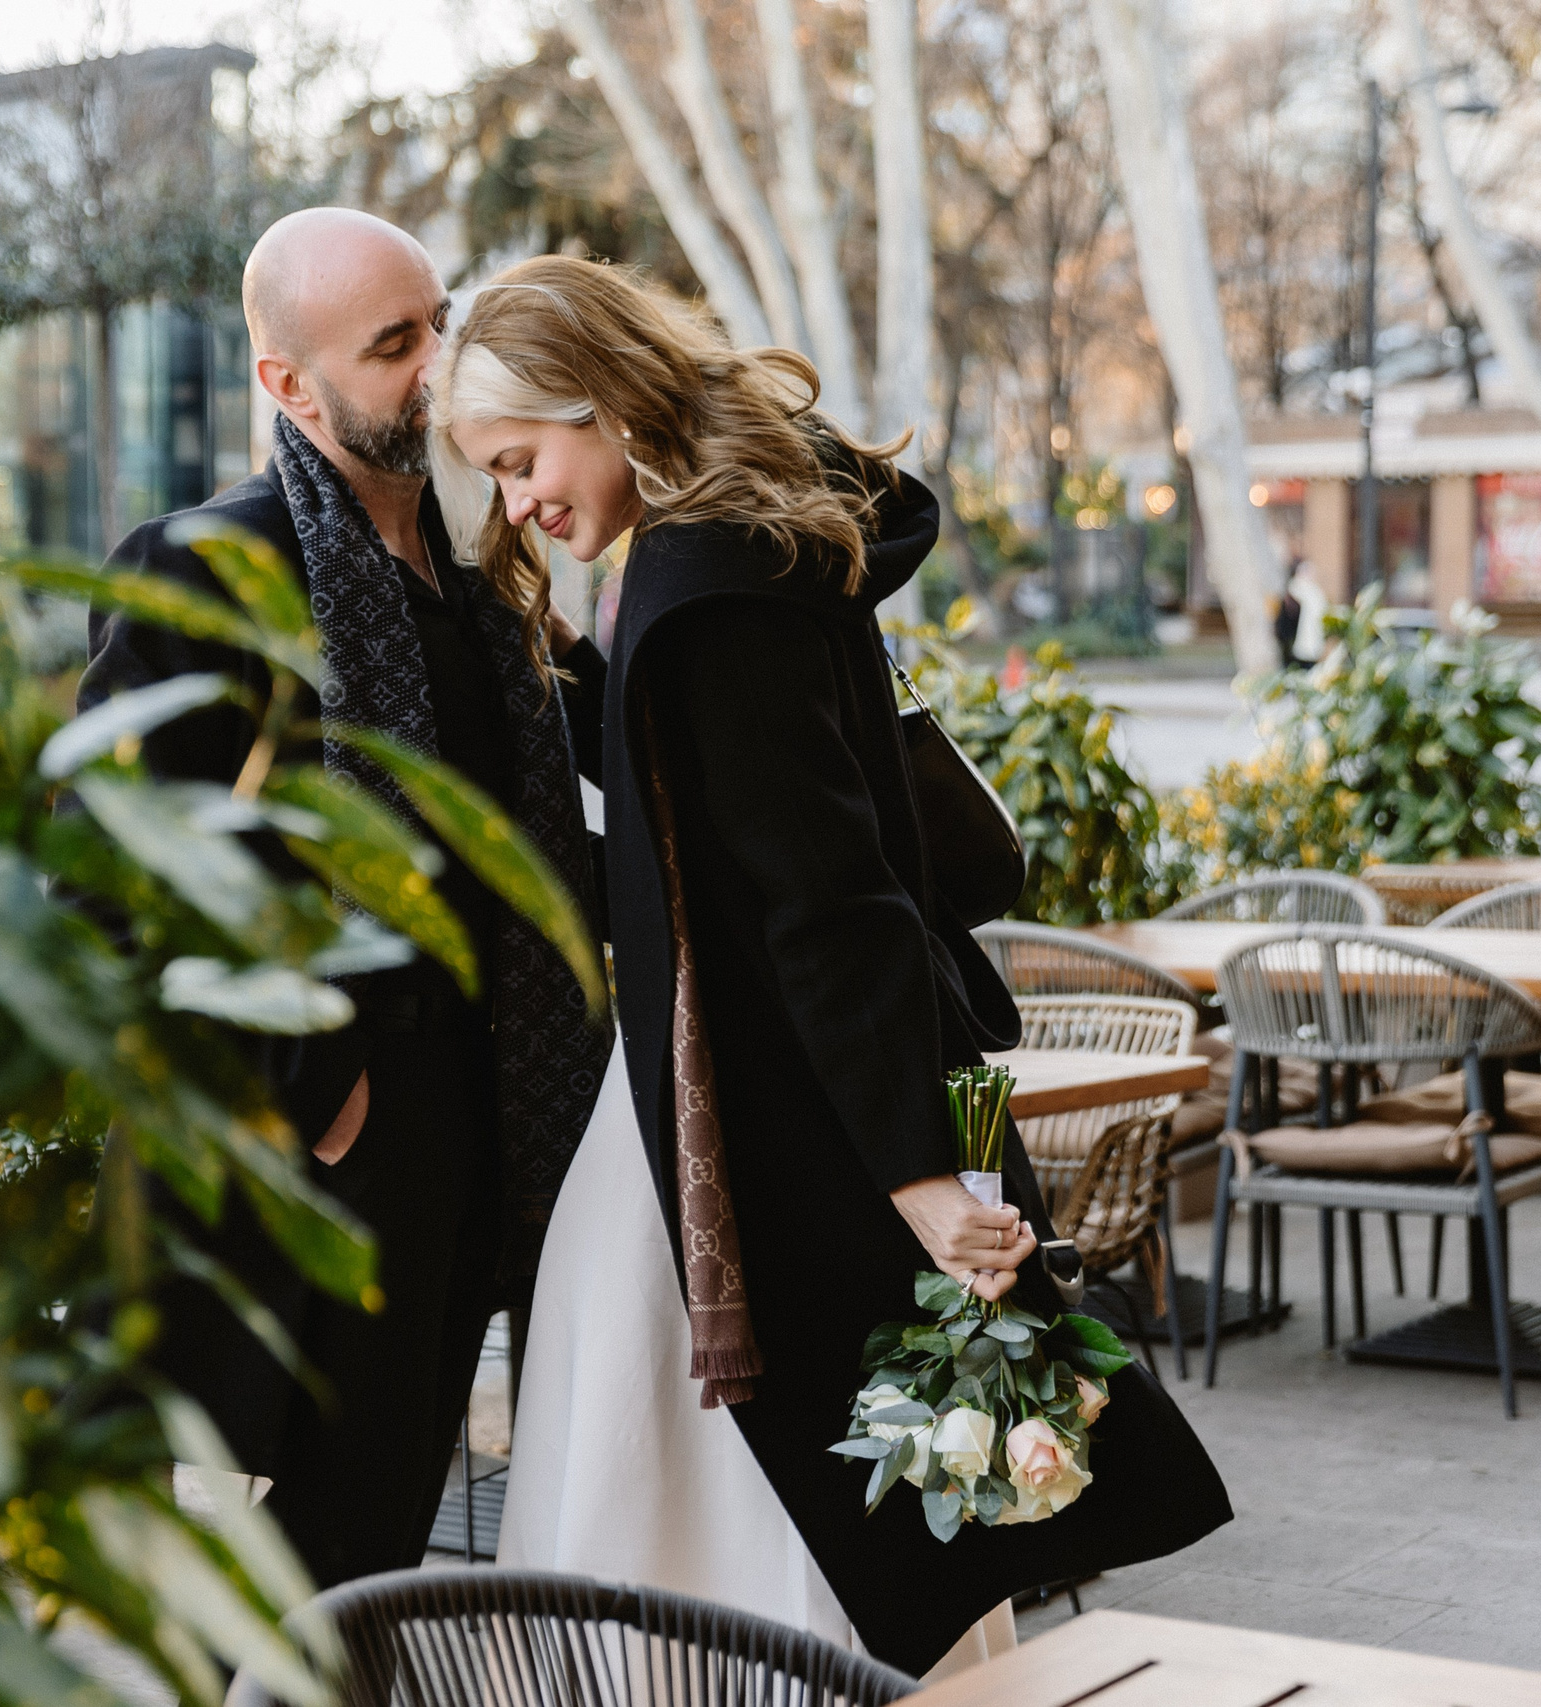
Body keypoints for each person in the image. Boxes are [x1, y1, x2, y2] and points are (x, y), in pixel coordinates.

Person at [429, 256, 1229, 1674]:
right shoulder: (746, 542)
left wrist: (921, 1181)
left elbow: (822, 905)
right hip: (903, 1064)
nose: (519, 503)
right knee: (906, 1476)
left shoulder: (701, 590)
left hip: (773, 1117)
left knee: (725, 1516)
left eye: (521, 458)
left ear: (604, 400)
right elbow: (737, 814)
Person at [75, 210, 611, 1588]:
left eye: (441, 319)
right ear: (286, 384)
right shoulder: (203, 566)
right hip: (336, 1141)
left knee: (386, 1552)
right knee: (320, 1564)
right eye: (392, 344)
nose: (438, 364)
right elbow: (122, 873)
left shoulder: (489, 572)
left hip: (499, 1118)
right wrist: (318, 1088)